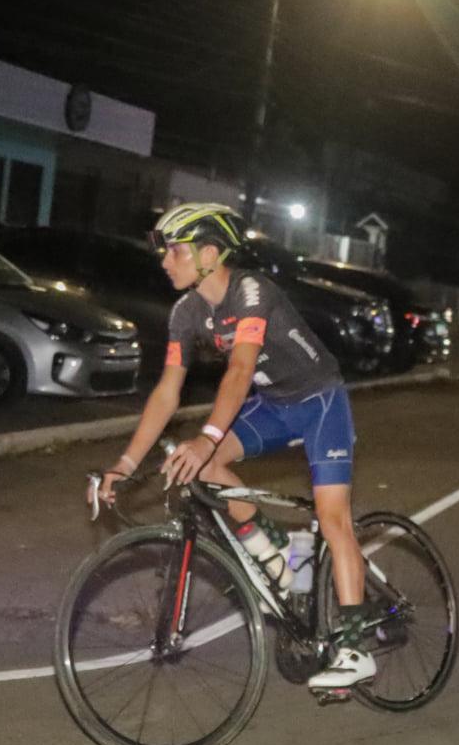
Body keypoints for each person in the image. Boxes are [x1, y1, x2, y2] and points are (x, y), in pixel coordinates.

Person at [94, 203, 374, 691]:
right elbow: (167, 392)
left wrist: (207, 438)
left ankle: (356, 649)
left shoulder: (251, 291)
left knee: (333, 519)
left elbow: (240, 370)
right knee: (199, 467)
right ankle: (279, 561)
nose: (165, 261)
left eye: (175, 251)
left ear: (209, 254)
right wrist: (124, 463)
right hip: (275, 406)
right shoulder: (186, 312)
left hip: (320, 402)